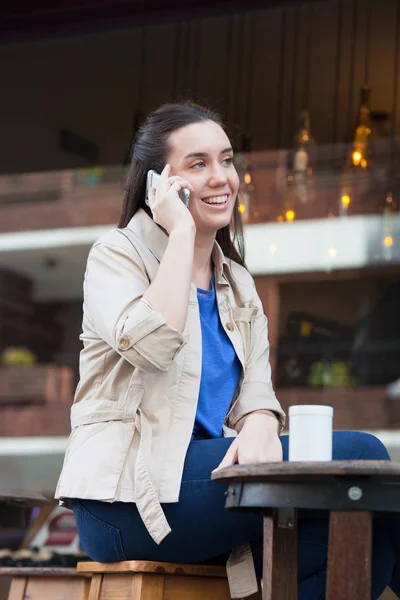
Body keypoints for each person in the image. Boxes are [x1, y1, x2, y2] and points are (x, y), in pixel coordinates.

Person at [55, 102, 399, 599]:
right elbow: (152, 345)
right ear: (160, 185)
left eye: (227, 160)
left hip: (202, 489)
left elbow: (257, 391)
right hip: (124, 500)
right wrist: (180, 235)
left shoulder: (236, 282)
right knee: (364, 457)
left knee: (368, 544)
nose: (221, 178)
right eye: (197, 164)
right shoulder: (116, 255)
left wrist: (260, 420)